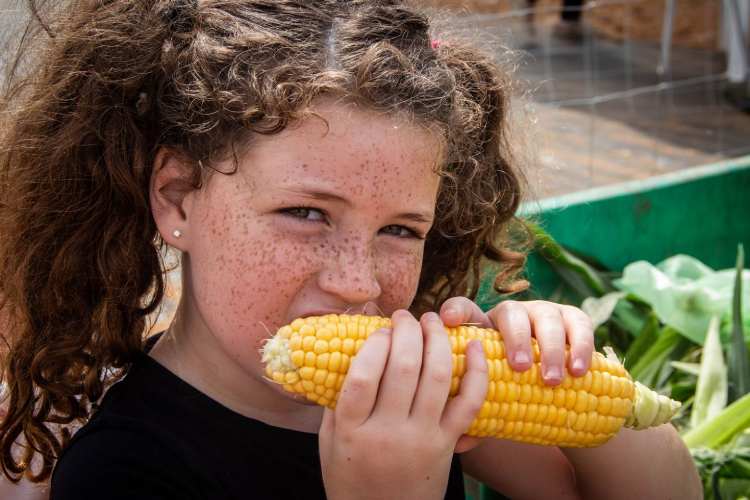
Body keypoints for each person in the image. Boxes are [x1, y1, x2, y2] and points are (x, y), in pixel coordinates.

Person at [0, 1, 701, 499]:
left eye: (400, 229)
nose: (356, 283)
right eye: (306, 213)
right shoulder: (125, 469)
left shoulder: (419, 391)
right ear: (178, 196)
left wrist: (601, 408)